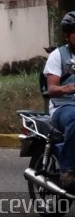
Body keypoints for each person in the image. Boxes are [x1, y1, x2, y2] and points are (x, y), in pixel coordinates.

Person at [44, 11, 75, 193]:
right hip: (63, 108)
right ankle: (68, 169)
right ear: (67, 35)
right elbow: (52, 89)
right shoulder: (58, 55)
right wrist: (71, 88)